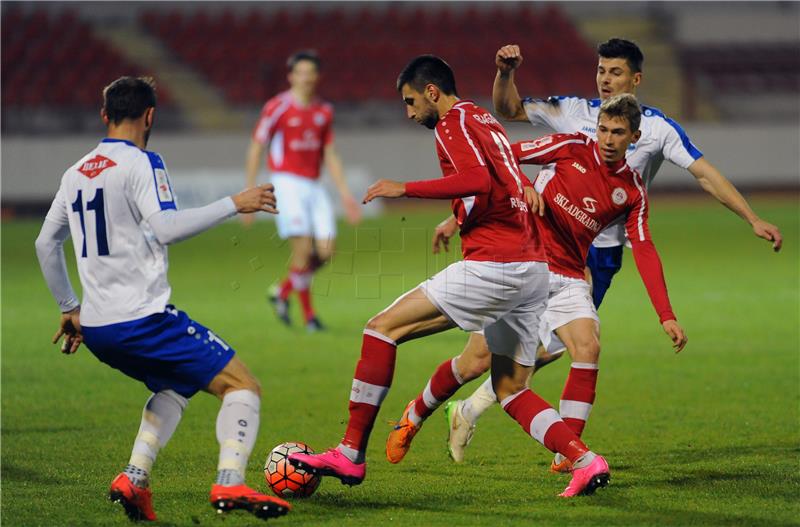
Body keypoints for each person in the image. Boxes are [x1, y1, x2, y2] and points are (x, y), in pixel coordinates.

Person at [432, 38, 782, 465]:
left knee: (555, 349)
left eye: (614, 73)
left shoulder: (658, 128)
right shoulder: (574, 111)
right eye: (601, 70)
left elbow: (704, 174)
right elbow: (510, 112)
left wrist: (751, 218)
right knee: (515, 351)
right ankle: (468, 412)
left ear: (635, 80)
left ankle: (496, 420)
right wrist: (505, 74)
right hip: (542, 237)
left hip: (599, 254)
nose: (604, 79)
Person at [287, 55, 611, 499]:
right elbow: (503, 181)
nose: (409, 112)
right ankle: (585, 460)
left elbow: (478, 179)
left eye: (410, 101)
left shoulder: (452, 122)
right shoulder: (483, 118)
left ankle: (350, 453)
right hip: (534, 268)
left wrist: (406, 188)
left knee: (381, 330)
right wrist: (457, 220)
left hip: (493, 264)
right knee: (511, 388)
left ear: (432, 93)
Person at [385, 93, 688, 475]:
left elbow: (644, 247)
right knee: (475, 361)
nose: (608, 139)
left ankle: (569, 456)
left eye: (618, 133)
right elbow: (502, 156)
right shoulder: (571, 146)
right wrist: (521, 187)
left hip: (568, 277)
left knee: (588, 346)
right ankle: (414, 414)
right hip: (523, 266)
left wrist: (666, 315)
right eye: (603, 130)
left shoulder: (631, 191)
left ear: (635, 137)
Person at [34, 77, 291, 522]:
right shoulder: (142, 162)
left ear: (104, 116)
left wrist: (68, 307)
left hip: (98, 328)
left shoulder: (75, 172)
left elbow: (45, 244)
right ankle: (230, 482)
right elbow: (167, 228)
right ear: (150, 116)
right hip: (143, 320)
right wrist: (236, 202)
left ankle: (134, 478)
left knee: (176, 383)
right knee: (243, 385)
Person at [244, 50, 361, 332]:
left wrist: (346, 194)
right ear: (291, 76)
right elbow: (257, 145)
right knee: (304, 250)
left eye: (311, 72)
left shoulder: (324, 111)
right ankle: (310, 318)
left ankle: (283, 292)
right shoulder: (277, 107)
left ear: (317, 77)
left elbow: (330, 153)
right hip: (287, 183)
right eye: (300, 72)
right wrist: (250, 192)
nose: (306, 78)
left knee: (326, 251)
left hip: (314, 185)